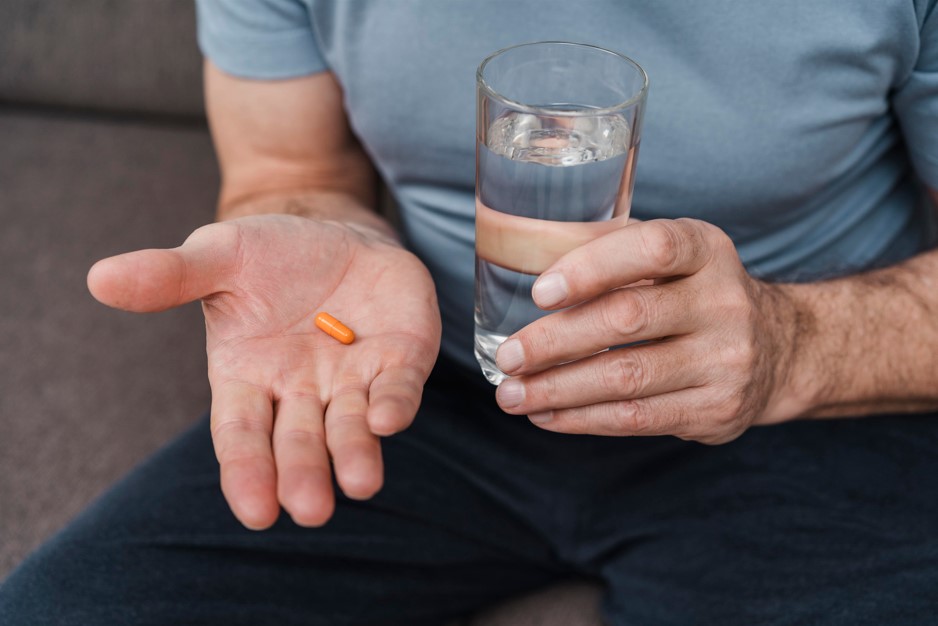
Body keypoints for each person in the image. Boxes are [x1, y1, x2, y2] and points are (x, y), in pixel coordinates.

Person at [3, 1, 938, 624]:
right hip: (419, 386)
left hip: (798, 409)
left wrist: (791, 345)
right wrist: (319, 230)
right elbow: (292, 171)